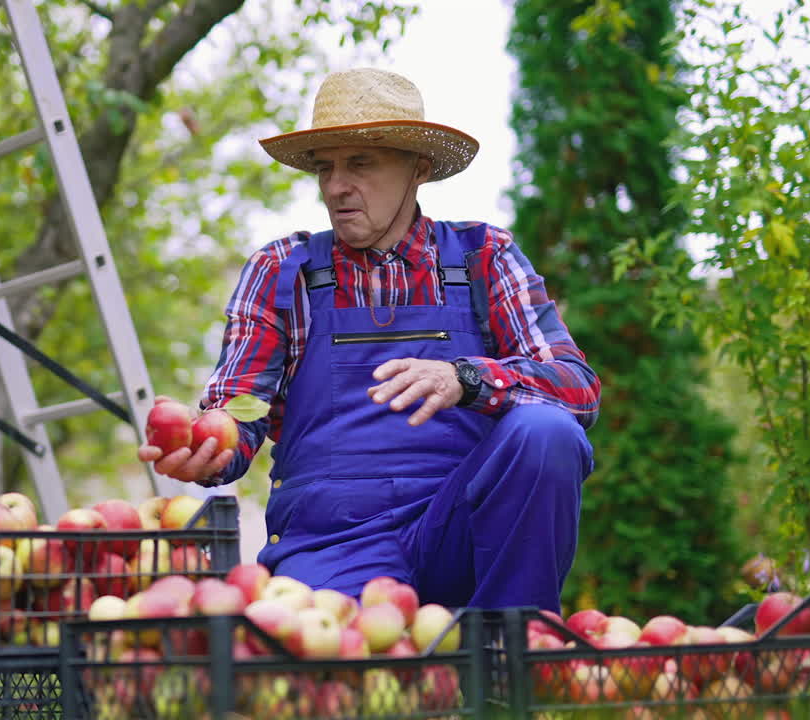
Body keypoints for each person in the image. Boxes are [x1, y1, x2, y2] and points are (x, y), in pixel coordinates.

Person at [138, 68, 599, 612]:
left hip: (461, 534)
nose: (336, 186)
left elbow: (576, 388)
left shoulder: (484, 258)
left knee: (546, 432)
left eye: (360, 163)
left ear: (418, 168)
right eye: (325, 167)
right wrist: (208, 451)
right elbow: (240, 410)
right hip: (334, 546)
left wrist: (466, 377)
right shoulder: (282, 270)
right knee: (332, 679)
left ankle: (510, 651)